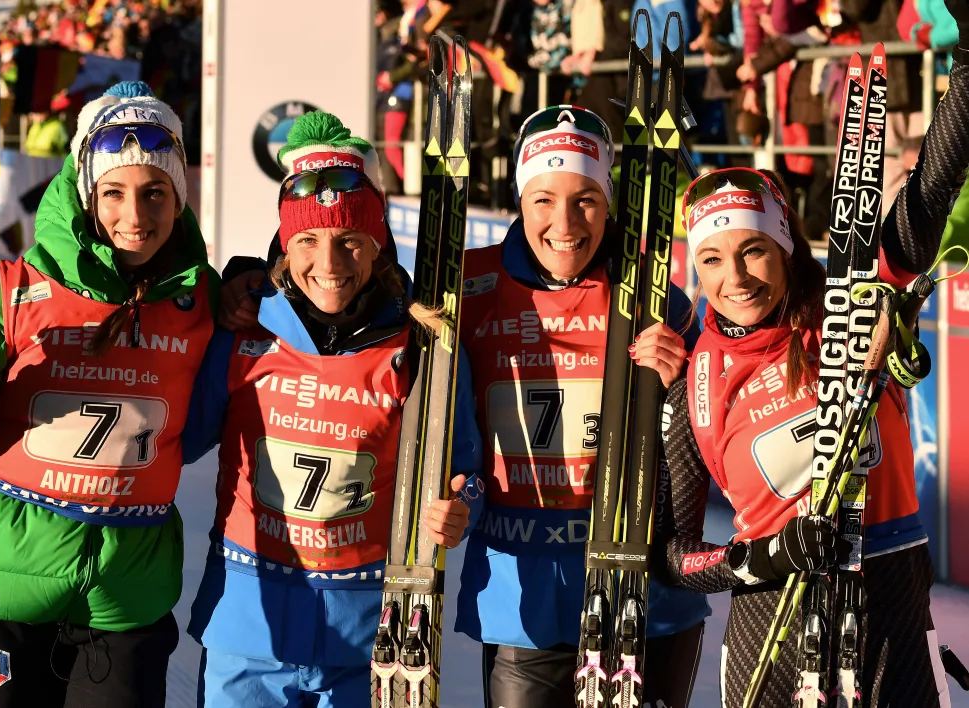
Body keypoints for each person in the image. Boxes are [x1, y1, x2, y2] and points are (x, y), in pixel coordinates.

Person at [657, 28, 969, 697]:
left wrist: (966, 62)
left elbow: (930, 188)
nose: (733, 277)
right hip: (767, 619)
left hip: (886, 591)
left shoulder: (853, 304)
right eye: (711, 258)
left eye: (753, 251)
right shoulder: (695, 382)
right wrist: (767, 554)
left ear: (787, 250)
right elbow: (675, 559)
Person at [0, 81, 218, 707]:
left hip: (125, 599)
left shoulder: (202, 299)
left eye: (156, 193)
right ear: (83, 192)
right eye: (113, 192)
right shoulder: (8, 290)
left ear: (180, 198)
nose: (136, 216)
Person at [183, 111, 484, 708]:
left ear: (378, 245)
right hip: (249, 629)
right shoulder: (244, 332)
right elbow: (179, 439)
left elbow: (467, 467)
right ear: (283, 246)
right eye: (308, 241)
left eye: (350, 240)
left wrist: (460, 508)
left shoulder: (419, 346)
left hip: (369, 637)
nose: (330, 262)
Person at [453, 105, 710, 708]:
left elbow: (712, 442)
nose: (564, 223)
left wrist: (679, 387)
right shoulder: (470, 285)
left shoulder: (652, 295)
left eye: (586, 199)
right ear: (519, 197)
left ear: (611, 199)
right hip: (524, 589)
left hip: (644, 592)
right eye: (543, 199)